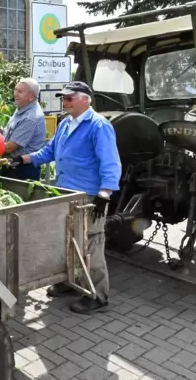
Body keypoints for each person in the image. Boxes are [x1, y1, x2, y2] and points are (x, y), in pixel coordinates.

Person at [9, 81, 121, 314]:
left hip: (88, 195)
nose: (65, 102)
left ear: (86, 99)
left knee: (91, 243)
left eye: (70, 98)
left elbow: (111, 162)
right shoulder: (66, 124)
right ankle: (69, 283)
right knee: (67, 239)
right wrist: (23, 159)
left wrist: (105, 193)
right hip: (64, 192)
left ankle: (98, 296)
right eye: (64, 98)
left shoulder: (98, 126)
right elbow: (48, 152)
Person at [1, 78, 47, 181]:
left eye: (20, 92)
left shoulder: (31, 117)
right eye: (15, 90)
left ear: (31, 97)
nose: (15, 94)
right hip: (12, 165)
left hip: (23, 169)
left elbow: (9, 147)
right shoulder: (22, 109)